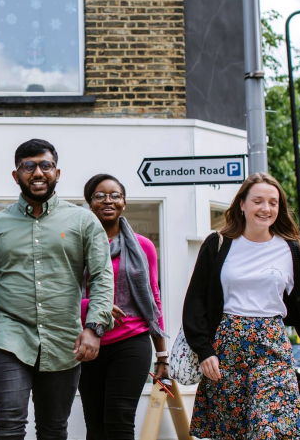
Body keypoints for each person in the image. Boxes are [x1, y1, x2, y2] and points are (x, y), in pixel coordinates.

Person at [0, 139, 114, 440]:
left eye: (45, 165)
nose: (38, 172)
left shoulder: (83, 222)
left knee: (54, 429)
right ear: (16, 175)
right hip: (9, 338)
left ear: (57, 172)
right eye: (28, 166)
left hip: (64, 339)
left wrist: (94, 327)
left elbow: (101, 277)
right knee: (9, 424)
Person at [183, 172, 300, 439]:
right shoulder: (218, 244)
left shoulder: (290, 249)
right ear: (242, 204)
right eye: (258, 201)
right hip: (226, 349)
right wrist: (204, 349)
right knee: (235, 431)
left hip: (272, 346)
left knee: (271, 425)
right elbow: (195, 302)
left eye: (273, 202)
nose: (266, 208)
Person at [77, 174, 169, 439]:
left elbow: (153, 298)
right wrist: (91, 305)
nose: (108, 200)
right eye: (100, 195)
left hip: (132, 340)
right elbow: (63, 293)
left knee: (119, 421)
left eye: (115, 195)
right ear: (89, 203)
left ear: (124, 203)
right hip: (87, 342)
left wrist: (162, 354)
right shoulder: (76, 245)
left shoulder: (143, 247)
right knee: (95, 424)